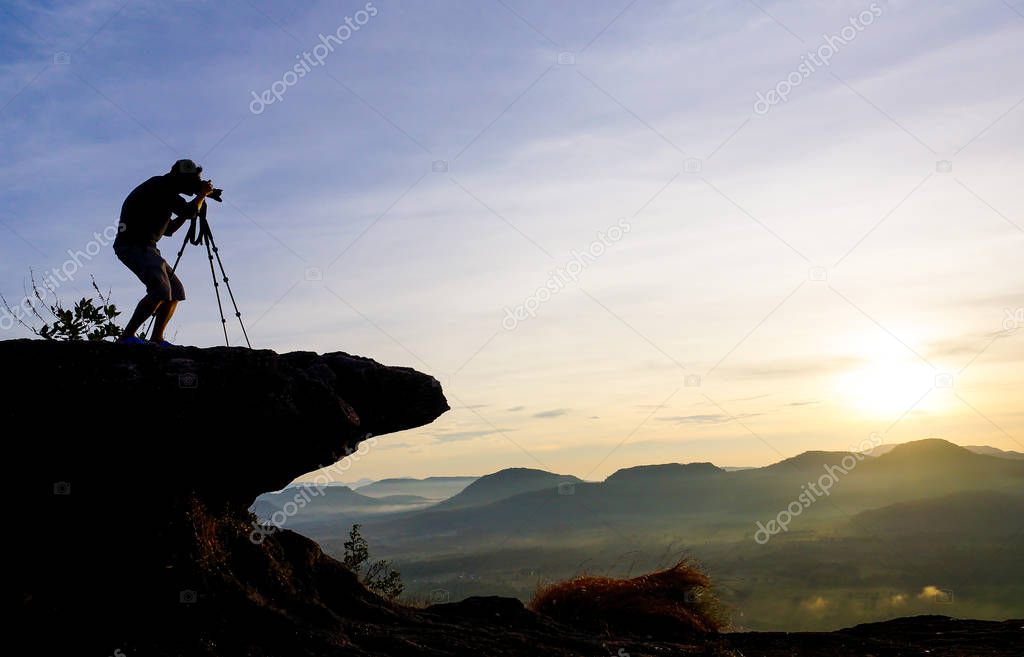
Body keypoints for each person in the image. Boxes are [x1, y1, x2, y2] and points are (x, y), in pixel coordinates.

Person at [114, 159, 214, 346]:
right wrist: (200, 196)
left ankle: (157, 339)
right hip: (134, 245)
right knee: (160, 290)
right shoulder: (161, 187)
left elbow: (170, 230)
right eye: (192, 181)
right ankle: (127, 337)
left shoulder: (164, 191)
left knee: (175, 291)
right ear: (181, 178)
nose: (193, 186)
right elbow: (187, 211)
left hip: (148, 246)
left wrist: (197, 201)